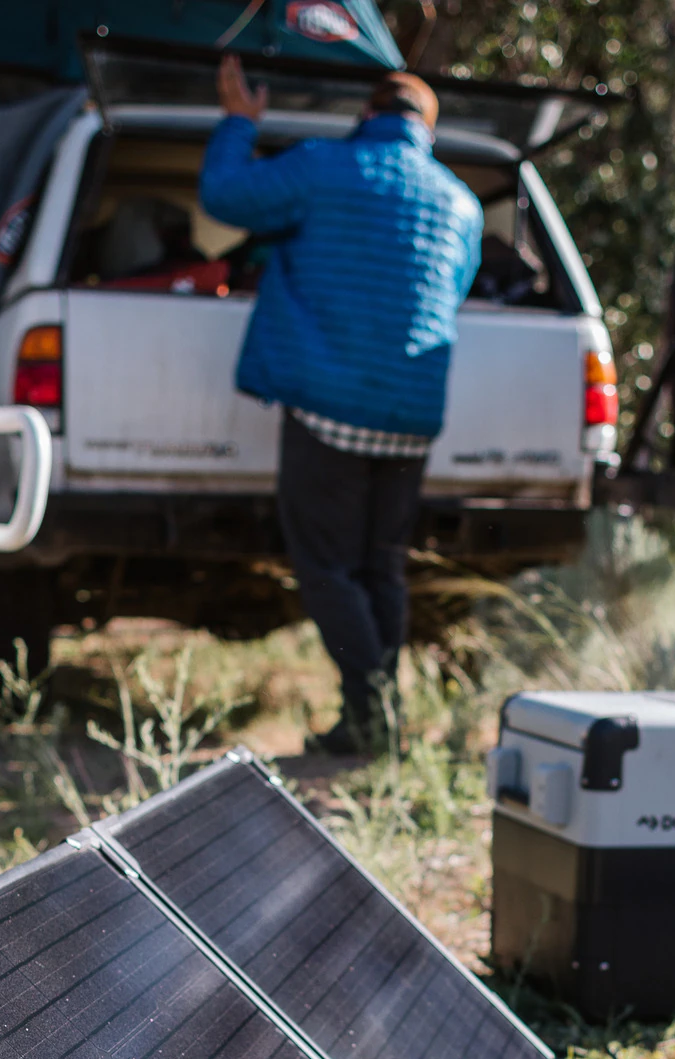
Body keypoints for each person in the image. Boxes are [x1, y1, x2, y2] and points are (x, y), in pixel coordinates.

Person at [199, 58, 482, 755]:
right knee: (379, 567)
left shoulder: (323, 167)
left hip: (329, 411)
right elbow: (456, 282)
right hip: (412, 416)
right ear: (428, 129)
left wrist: (241, 120)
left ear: (367, 115)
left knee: (325, 566)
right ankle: (371, 721)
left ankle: (375, 712)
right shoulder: (459, 202)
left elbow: (225, 196)